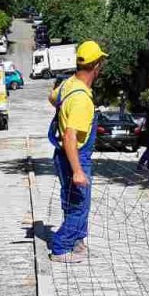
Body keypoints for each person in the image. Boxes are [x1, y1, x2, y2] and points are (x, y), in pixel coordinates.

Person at [47, 39, 107, 263]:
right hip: (75, 156)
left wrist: (67, 114)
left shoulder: (68, 85)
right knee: (79, 206)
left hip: (62, 156)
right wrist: (78, 171)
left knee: (71, 201)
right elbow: (70, 137)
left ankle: (77, 242)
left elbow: (52, 97)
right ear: (96, 66)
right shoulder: (82, 99)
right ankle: (61, 247)